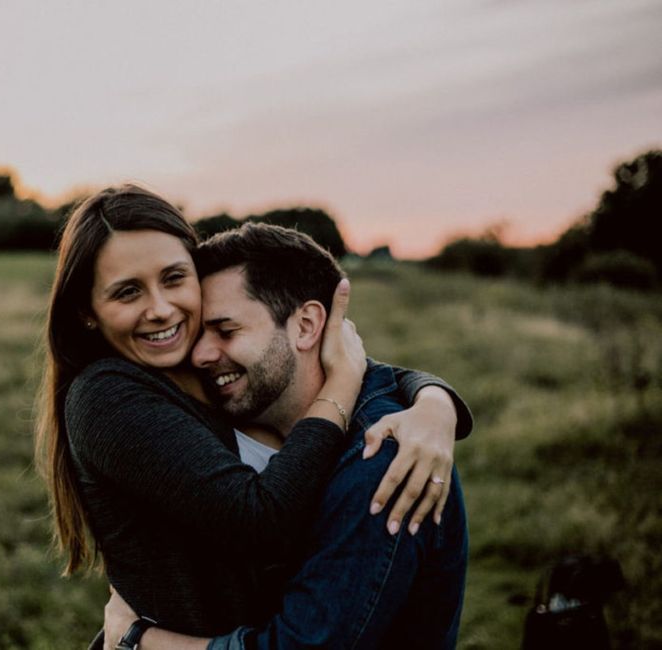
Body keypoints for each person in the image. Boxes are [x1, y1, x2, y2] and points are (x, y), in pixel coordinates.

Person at [33, 185, 471, 643]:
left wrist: (435, 403)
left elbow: (368, 374)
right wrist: (343, 385)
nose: (161, 310)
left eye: (175, 279)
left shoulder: (199, 370)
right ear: (87, 311)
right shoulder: (109, 395)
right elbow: (259, 519)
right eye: (127, 293)